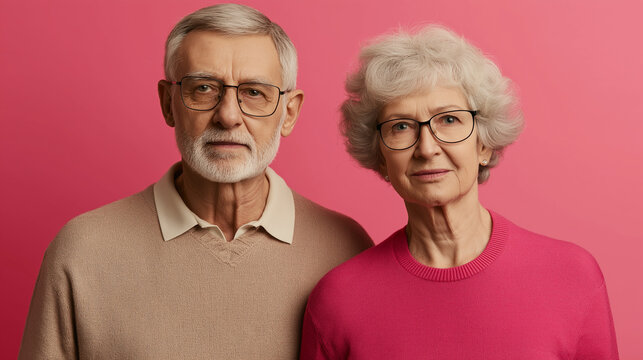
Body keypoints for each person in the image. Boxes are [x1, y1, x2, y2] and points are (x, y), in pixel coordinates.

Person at [19, 4, 372, 359]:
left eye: (253, 92)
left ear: (289, 112)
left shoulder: (345, 251)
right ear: (168, 103)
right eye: (203, 88)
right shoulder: (82, 252)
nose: (228, 116)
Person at [300, 26, 618, 359]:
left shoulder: (572, 276)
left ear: (483, 144)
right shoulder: (339, 300)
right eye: (401, 126)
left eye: (449, 120)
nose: (427, 148)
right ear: (381, 155)